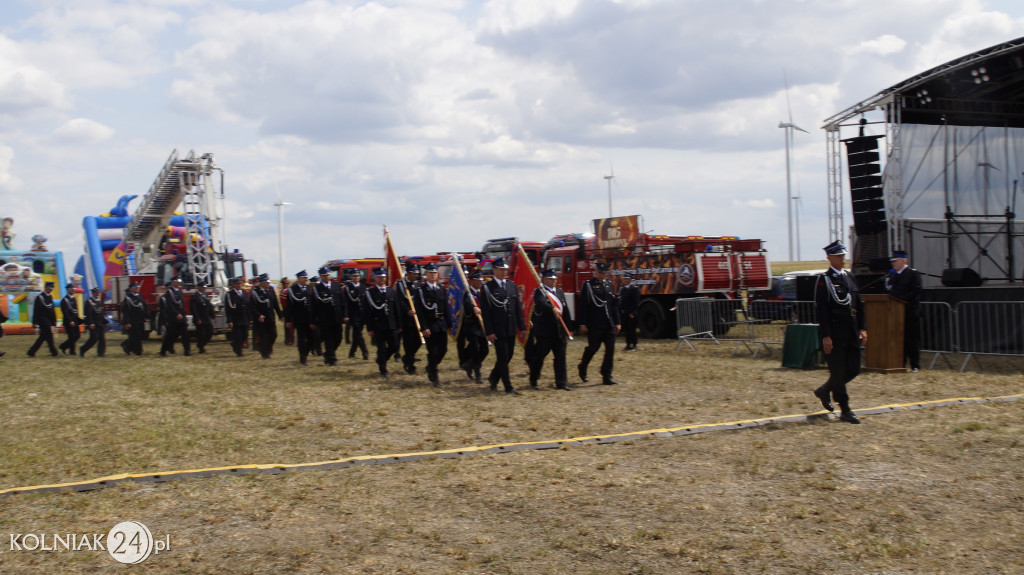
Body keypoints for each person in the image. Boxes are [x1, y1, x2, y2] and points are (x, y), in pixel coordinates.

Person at [813, 240, 867, 424]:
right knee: (837, 371)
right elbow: (822, 310)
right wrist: (826, 335)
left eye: (843, 255)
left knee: (854, 368)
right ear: (829, 258)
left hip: (851, 329)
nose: (842, 259)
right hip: (835, 331)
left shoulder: (850, 277)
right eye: (838, 256)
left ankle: (824, 390)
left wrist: (862, 327)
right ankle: (846, 410)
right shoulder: (825, 280)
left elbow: (858, 304)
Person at [480, 258, 525, 395]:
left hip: (510, 327)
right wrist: (490, 331)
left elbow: (517, 308)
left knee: (508, 356)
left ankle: (493, 377)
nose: (503, 272)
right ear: (494, 270)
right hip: (497, 328)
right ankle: (508, 387)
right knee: (503, 357)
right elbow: (486, 312)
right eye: (500, 269)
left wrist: (521, 327)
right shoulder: (487, 288)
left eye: (505, 269)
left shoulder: (511, 285)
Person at [528, 269, 574, 390]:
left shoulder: (559, 291)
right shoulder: (540, 292)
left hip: (559, 330)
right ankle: (534, 379)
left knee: (560, 357)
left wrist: (569, 328)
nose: (553, 281)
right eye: (550, 279)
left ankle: (561, 383)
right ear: (544, 279)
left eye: (554, 279)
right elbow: (541, 303)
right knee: (540, 356)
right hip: (545, 331)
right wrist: (551, 309)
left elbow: (566, 310)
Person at [577, 262, 622, 385]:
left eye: (604, 273)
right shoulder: (588, 285)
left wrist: (617, 322)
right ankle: (583, 366)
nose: (602, 275)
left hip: (608, 323)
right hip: (595, 323)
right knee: (593, 348)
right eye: (600, 272)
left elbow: (613, 305)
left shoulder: (609, 285)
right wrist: (582, 323)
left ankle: (606, 375)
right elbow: (582, 306)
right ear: (596, 272)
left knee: (610, 349)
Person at [885, 249, 923, 372]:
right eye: (892, 262)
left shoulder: (913, 274)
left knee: (912, 340)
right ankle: (900, 363)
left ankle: (915, 365)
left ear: (903, 260)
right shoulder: (892, 276)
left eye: (895, 261)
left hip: (910, 312)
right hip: (896, 314)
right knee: (898, 339)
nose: (893, 264)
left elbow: (915, 292)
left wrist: (900, 299)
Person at [414, 263, 449, 386]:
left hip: (441, 324)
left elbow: (446, 308)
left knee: (443, 349)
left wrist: (449, 324)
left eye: (434, 273)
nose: (433, 275)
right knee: (433, 351)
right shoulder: (421, 291)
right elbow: (419, 311)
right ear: (426, 275)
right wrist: (424, 327)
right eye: (430, 273)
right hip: (430, 324)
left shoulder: (441, 289)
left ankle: (431, 366)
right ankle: (434, 376)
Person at [363, 267, 401, 379]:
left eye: (383, 277)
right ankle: (383, 370)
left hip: (391, 324)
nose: (382, 279)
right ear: (375, 278)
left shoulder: (390, 291)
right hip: (378, 325)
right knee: (381, 348)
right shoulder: (370, 292)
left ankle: (381, 360)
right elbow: (367, 312)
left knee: (395, 346)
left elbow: (396, 309)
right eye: (379, 277)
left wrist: (399, 325)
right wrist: (369, 328)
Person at [457, 271, 489, 383]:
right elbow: (467, 306)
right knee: (475, 349)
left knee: (485, 350)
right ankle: (478, 373)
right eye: (478, 280)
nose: (481, 282)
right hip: (471, 326)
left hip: (482, 326)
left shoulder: (482, 292)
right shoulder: (467, 293)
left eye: (481, 280)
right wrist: (473, 308)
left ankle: (469, 364)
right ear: (472, 281)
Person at [312, 267, 347, 366]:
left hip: (337, 317)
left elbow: (343, 301)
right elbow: (314, 305)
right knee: (329, 339)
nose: (326, 277)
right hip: (325, 318)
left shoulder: (336, 286)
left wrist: (345, 314)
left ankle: (328, 354)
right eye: (324, 275)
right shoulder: (317, 289)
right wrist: (313, 320)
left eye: (327, 275)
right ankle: (332, 359)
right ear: (320, 276)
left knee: (338, 338)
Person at [285, 271, 317, 365]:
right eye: (304, 277)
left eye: (306, 277)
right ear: (299, 278)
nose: (306, 279)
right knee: (302, 339)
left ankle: (305, 355)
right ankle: (303, 359)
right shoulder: (292, 290)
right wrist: (288, 320)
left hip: (310, 318)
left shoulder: (310, 288)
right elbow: (289, 307)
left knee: (312, 338)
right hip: (299, 319)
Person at [396, 263, 422, 374]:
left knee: (419, 340)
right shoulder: (401, 284)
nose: (416, 276)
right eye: (414, 274)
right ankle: (410, 366)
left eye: (417, 274)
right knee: (408, 342)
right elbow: (399, 300)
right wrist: (407, 311)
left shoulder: (418, 285)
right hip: (406, 318)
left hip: (417, 318)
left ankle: (407, 357)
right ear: (409, 273)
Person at [251, 274, 282, 359]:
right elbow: (252, 306)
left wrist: (280, 315)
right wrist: (258, 315)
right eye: (266, 282)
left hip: (270, 317)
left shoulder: (271, 289)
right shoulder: (255, 291)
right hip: (260, 319)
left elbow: (275, 303)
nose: (268, 284)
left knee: (274, 335)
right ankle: (265, 354)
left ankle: (267, 348)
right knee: (263, 337)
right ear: (261, 282)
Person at [159, 276, 191, 356]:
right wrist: (176, 313)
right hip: (173, 317)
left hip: (181, 316)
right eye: (177, 281)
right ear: (173, 282)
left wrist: (183, 314)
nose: (178, 283)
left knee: (185, 334)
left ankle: (187, 351)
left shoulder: (180, 291)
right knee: (170, 335)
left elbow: (182, 304)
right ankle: (163, 351)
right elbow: (169, 305)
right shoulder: (169, 292)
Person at [27, 281, 59, 357]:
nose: (51, 290)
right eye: (49, 288)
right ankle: (54, 352)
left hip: (49, 320)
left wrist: (54, 320)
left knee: (43, 337)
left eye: (52, 288)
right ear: (46, 287)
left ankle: (31, 352)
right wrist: (34, 322)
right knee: (49, 335)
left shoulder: (50, 297)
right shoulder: (40, 297)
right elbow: (36, 310)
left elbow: (52, 310)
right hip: (42, 319)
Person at [343, 271, 369, 360]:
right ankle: (365, 352)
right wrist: (346, 314)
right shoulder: (348, 288)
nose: (356, 277)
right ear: (351, 277)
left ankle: (352, 353)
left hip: (362, 314)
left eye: (357, 276)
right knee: (358, 333)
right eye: (354, 276)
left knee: (356, 335)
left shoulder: (363, 287)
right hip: (353, 314)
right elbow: (346, 303)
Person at [225, 276, 250, 357]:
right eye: (238, 284)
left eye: (240, 283)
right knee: (237, 336)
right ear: (234, 285)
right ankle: (239, 352)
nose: (240, 285)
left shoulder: (244, 293)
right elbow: (228, 308)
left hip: (245, 318)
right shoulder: (229, 294)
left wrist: (250, 318)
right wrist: (229, 320)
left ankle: (234, 343)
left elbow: (248, 306)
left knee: (245, 335)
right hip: (236, 319)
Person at [119, 282, 147, 356]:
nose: (137, 289)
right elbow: (126, 311)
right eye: (135, 287)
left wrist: (147, 316)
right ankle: (138, 351)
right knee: (135, 336)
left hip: (140, 319)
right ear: (131, 289)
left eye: (138, 287)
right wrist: (127, 322)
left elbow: (144, 307)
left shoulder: (140, 296)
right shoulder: (128, 298)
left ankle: (128, 347)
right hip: (133, 320)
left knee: (140, 335)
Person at [79, 287, 108, 357]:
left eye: (98, 293)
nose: (97, 295)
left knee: (102, 338)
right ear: (92, 294)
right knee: (93, 338)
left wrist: (104, 320)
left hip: (100, 323)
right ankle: (82, 349)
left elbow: (101, 312)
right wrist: (90, 323)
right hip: (93, 323)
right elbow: (88, 314)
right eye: (95, 293)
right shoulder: (89, 302)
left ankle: (101, 353)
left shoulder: (99, 302)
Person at [58, 283, 83, 356]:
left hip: (75, 320)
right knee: (72, 336)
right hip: (68, 321)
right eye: (71, 289)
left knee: (77, 335)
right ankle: (72, 351)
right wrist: (70, 321)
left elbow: (76, 310)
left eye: (73, 289)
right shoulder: (64, 300)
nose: (73, 291)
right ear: (68, 290)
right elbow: (65, 312)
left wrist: (78, 319)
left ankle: (63, 346)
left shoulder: (74, 299)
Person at [190, 282, 215, 354]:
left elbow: (209, 306)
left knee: (210, 332)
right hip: (199, 318)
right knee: (201, 334)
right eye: (203, 287)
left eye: (205, 287)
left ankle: (201, 344)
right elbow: (193, 309)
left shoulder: (205, 295)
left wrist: (213, 315)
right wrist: (197, 318)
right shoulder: (194, 296)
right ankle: (201, 348)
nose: (204, 288)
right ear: (199, 287)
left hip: (206, 317)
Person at [618, 271, 640, 351]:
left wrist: (631, 312)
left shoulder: (634, 288)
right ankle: (628, 344)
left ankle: (634, 345)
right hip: (625, 312)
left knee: (632, 329)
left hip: (631, 312)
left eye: (627, 279)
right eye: (624, 279)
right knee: (626, 329)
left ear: (631, 280)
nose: (626, 280)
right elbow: (621, 300)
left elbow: (636, 301)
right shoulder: (623, 289)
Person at [279, 277, 294, 345]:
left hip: (285, 310)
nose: (288, 284)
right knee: (290, 327)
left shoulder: (283, 291)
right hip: (288, 310)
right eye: (287, 283)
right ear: (283, 284)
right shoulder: (286, 292)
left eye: (289, 283)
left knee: (287, 326)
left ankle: (287, 339)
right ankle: (289, 340)